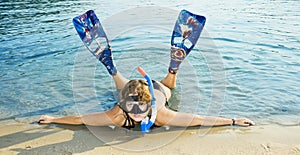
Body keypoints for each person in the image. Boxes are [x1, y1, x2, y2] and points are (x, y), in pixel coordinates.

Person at [38, 10, 255, 130]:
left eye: (139, 110)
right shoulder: (118, 114)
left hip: (156, 89)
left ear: (148, 106)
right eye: (131, 110)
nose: (135, 115)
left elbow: (198, 119)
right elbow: (81, 119)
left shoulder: (162, 114)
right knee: (121, 87)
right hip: (131, 88)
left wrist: (233, 121)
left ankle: (172, 71)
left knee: (168, 87)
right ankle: (113, 71)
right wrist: (52, 119)